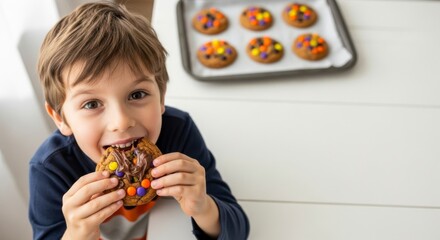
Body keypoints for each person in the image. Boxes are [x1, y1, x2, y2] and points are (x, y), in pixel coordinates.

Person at [28, 1, 250, 239]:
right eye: (91, 104)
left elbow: (238, 231)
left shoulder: (179, 131)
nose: (121, 122)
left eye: (136, 95)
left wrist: (203, 206)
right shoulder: (51, 169)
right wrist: (76, 233)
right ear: (60, 118)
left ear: (161, 96)